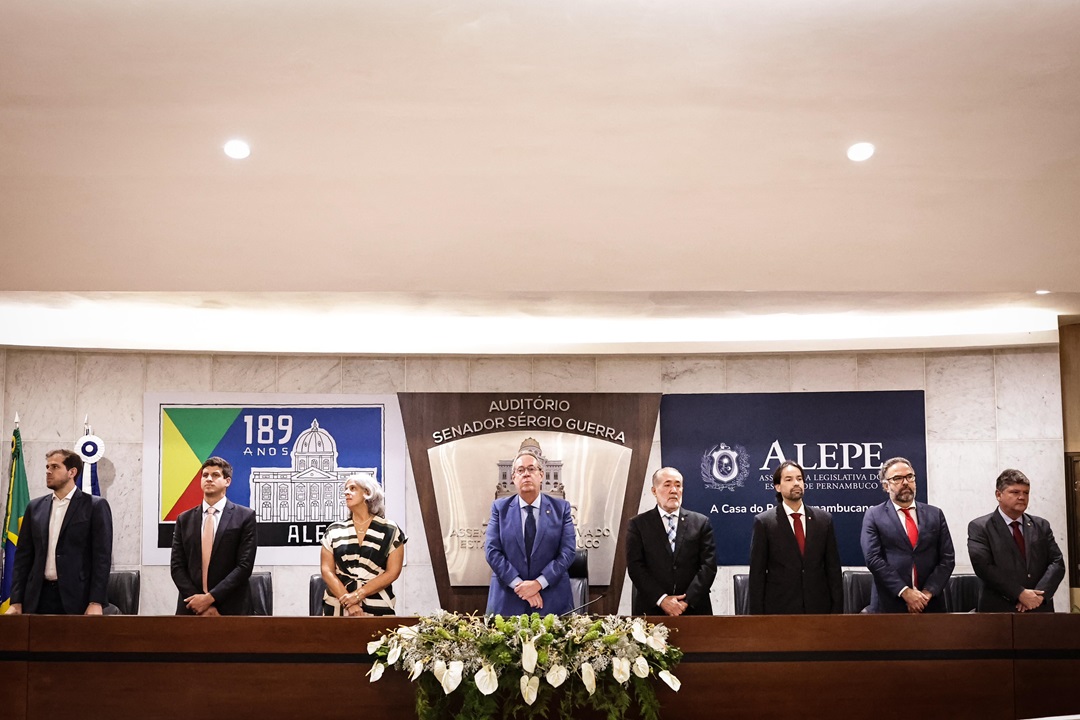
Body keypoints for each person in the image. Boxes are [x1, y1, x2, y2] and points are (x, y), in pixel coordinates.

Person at [5, 449, 113, 615]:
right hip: (38, 598)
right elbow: (23, 558)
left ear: (72, 472)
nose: (48, 471)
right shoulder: (35, 508)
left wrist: (96, 601)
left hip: (78, 598)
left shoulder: (94, 506)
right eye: (47, 467)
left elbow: (102, 558)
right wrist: (16, 600)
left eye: (55, 467)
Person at [485, 451, 576, 616]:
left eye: (531, 469)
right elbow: (492, 552)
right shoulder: (499, 508)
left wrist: (538, 584)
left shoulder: (561, 508)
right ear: (513, 477)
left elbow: (567, 552)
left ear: (541, 475)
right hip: (507, 601)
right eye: (520, 470)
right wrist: (520, 586)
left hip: (551, 601)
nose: (526, 474)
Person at [860, 457, 955, 613]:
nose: (905, 482)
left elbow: (947, 558)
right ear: (886, 486)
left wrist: (926, 594)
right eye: (897, 478)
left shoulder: (935, 514)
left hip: (930, 604)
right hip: (889, 604)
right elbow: (873, 559)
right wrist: (905, 592)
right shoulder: (874, 515)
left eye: (909, 477)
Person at [748, 461, 842, 614]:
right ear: (777, 487)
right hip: (780, 609)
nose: (796, 483)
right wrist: (757, 618)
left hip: (818, 607)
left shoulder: (823, 520)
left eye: (799, 478)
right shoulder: (765, 522)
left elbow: (833, 569)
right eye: (789, 479)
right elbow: (757, 574)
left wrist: (837, 610)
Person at [967, 468, 1065, 613]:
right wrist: (1019, 594)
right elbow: (984, 567)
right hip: (998, 609)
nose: (1022, 497)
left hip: (1039, 608)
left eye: (1026, 493)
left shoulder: (1041, 525)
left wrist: (1037, 596)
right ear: (998, 495)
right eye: (1015, 492)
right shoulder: (980, 527)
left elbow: (1057, 562)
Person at [170, 456, 257, 615]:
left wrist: (210, 598)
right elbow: (177, 567)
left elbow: (244, 567)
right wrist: (199, 603)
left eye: (215, 475)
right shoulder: (184, 519)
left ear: (227, 481)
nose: (209, 479)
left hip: (231, 608)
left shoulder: (245, 517)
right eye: (205, 475)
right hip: (191, 607)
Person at [626, 467, 717, 616]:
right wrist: (662, 600)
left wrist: (685, 602)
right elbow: (636, 567)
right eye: (667, 485)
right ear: (654, 491)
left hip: (693, 609)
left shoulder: (700, 522)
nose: (674, 490)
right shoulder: (638, 524)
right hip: (652, 609)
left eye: (678, 485)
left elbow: (708, 566)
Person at [320, 475, 406, 616]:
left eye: (353, 488)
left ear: (368, 492)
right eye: (346, 489)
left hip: (378, 604)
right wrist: (348, 603)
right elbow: (327, 571)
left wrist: (357, 595)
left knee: (380, 639)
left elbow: (393, 572)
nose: (346, 492)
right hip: (338, 605)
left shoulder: (390, 529)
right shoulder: (334, 530)